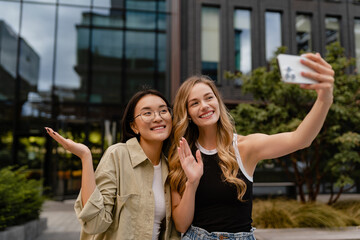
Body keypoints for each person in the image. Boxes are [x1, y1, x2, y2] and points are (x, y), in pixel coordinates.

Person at [168, 53, 334, 239]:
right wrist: (192, 182)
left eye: (209, 98)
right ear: (188, 113)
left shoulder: (245, 147)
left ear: (218, 102)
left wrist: (324, 100)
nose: (204, 106)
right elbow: (181, 224)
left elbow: (300, 139)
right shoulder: (182, 156)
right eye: (195, 103)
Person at [45, 89, 180, 240]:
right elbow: (95, 223)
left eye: (163, 111)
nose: (158, 118)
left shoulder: (170, 167)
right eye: (147, 113)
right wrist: (85, 157)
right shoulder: (117, 155)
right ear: (134, 126)